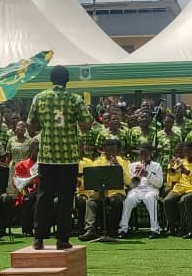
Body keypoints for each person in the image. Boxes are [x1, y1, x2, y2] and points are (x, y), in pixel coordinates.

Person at [27, 65, 92, 250]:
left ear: (51, 80)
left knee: (43, 197)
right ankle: (62, 239)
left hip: (47, 155)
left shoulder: (39, 98)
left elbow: (30, 126)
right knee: (65, 198)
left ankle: (38, 239)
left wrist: (46, 127)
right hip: (68, 157)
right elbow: (87, 123)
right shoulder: (75, 99)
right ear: (67, 80)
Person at [79, 139, 130, 241]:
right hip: (100, 192)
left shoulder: (124, 162)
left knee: (116, 202)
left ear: (117, 151)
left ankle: (113, 231)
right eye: (109, 151)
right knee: (91, 203)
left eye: (113, 151)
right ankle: (90, 230)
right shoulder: (97, 162)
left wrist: (119, 168)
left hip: (117, 193)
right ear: (104, 150)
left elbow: (128, 181)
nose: (111, 153)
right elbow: (92, 180)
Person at [119, 143, 164, 238]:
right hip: (137, 189)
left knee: (150, 198)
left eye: (145, 153)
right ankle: (123, 229)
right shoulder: (133, 165)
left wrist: (147, 174)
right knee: (128, 200)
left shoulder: (157, 166)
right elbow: (130, 185)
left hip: (152, 189)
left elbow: (159, 184)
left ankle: (155, 230)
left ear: (150, 153)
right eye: (141, 153)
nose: (143, 155)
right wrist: (136, 177)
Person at [13, 141, 40, 236]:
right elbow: (17, 182)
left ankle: (42, 229)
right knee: (27, 200)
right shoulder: (21, 164)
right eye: (37, 151)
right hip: (27, 190)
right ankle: (27, 230)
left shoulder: (45, 164)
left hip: (42, 190)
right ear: (31, 151)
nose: (39, 153)